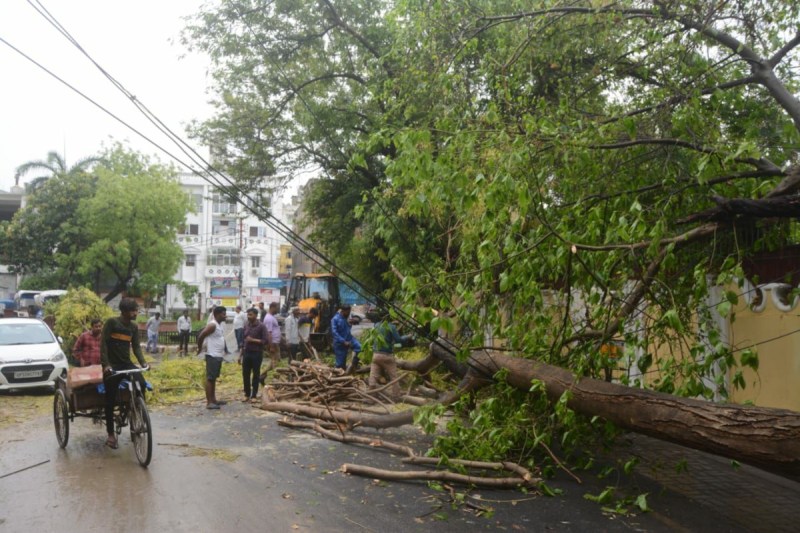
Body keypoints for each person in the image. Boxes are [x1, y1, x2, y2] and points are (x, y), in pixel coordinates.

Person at [100, 298, 148, 450]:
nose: (136, 313)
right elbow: (103, 344)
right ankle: (110, 434)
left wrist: (143, 363)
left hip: (126, 364)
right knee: (110, 400)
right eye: (133, 310)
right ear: (125, 311)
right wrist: (106, 365)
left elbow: (136, 347)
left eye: (136, 310)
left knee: (141, 383)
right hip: (112, 366)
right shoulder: (112, 323)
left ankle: (137, 413)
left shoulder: (133, 327)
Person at [369, 314, 413, 399]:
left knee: (373, 376)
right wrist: (408, 336)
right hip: (386, 356)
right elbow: (398, 340)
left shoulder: (376, 325)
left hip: (376, 355)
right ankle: (396, 396)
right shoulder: (391, 327)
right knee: (394, 377)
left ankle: (370, 396)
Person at [197, 306, 228, 410]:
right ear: (218, 315)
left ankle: (213, 400)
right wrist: (200, 348)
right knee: (210, 379)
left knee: (213, 378)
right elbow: (201, 335)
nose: (225, 316)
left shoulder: (219, 325)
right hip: (212, 355)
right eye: (223, 314)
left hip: (218, 355)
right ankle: (209, 402)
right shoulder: (212, 325)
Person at [240, 308, 267, 402]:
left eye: (250, 315)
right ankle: (247, 394)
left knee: (256, 374)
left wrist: (253, 340)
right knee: (245, 374)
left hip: (257, 353)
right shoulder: (246, 325)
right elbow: (243, 341)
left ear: (256, 315)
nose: (248, 316)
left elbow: (265, 341)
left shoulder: (261, 326)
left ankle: (254, 395)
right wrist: (240, 355)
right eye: (248, 315)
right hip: (246, 353)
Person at [331, 304, 361, 372]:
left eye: (349, 312)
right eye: (347, 312)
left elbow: (357, 320)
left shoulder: (348, 317)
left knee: (359, 347)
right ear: (343, 311)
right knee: (341, 365)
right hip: (340, 343)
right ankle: (340, 372)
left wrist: (355, 321)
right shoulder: (335, 319)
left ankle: (354, 365)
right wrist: (343, 341)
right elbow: (334, 332)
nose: (348, 314)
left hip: (349, 338)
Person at [262, 302, 281, 371]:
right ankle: (272, 373)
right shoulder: (269, 318)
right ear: (272, 308)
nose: (278, 310)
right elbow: (268, 333)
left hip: (275, 342)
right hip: (272, 343)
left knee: (275, 359)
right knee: (274, 360)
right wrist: (271, 346)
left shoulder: (272, 317)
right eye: (277, 308)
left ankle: (265, 373)